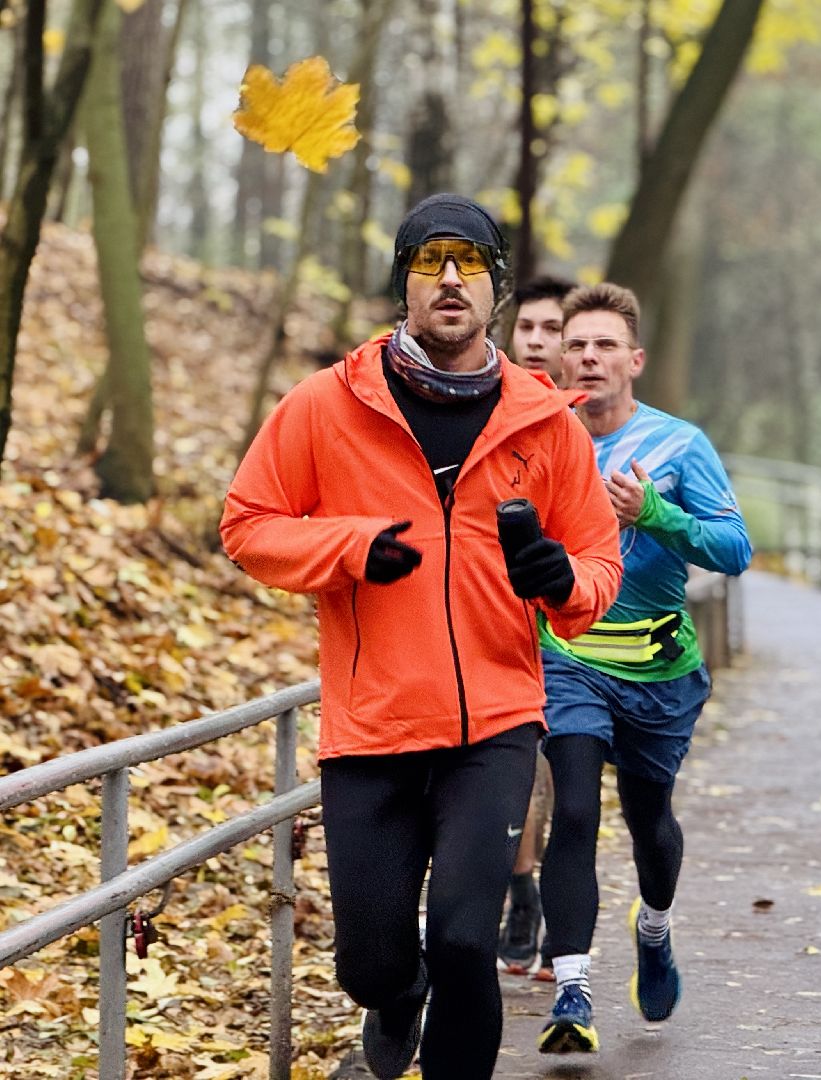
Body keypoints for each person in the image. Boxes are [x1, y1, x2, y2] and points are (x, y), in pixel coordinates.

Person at [219, 194, 622, 1080]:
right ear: (402, 283)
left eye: (470, 263)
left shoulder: (544, 420)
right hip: (374, 727)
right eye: (429, 261)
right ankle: (398, 997)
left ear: (498, 290)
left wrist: (563, 583)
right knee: (373, 963)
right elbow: (248, 523)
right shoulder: (327, 405)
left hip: (496, 725)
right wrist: (351, 545)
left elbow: (596, 563)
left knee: (467, 940)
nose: (450, 279)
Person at [535, 283, 752, 1054]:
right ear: (562, 356)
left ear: (634, 360)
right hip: (567, 657)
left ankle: (654, 927)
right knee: (575, 814)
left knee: (649, 820)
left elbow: (735, 551)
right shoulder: (539, 435)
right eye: (576, 344)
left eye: (603, 345)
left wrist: (654, 514)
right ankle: (572, 990)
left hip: (658, 667)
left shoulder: (680, 444)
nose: (588, 357)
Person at [497, 274, 576, 979]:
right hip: (495, 633)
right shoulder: (483, 410)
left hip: (571, 635)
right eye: (528, 329)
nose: (538, 342)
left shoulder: (580, 426)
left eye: (553, 331)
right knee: (523, 773)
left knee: (558, 777)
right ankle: (522, 889)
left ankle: (545, 901)